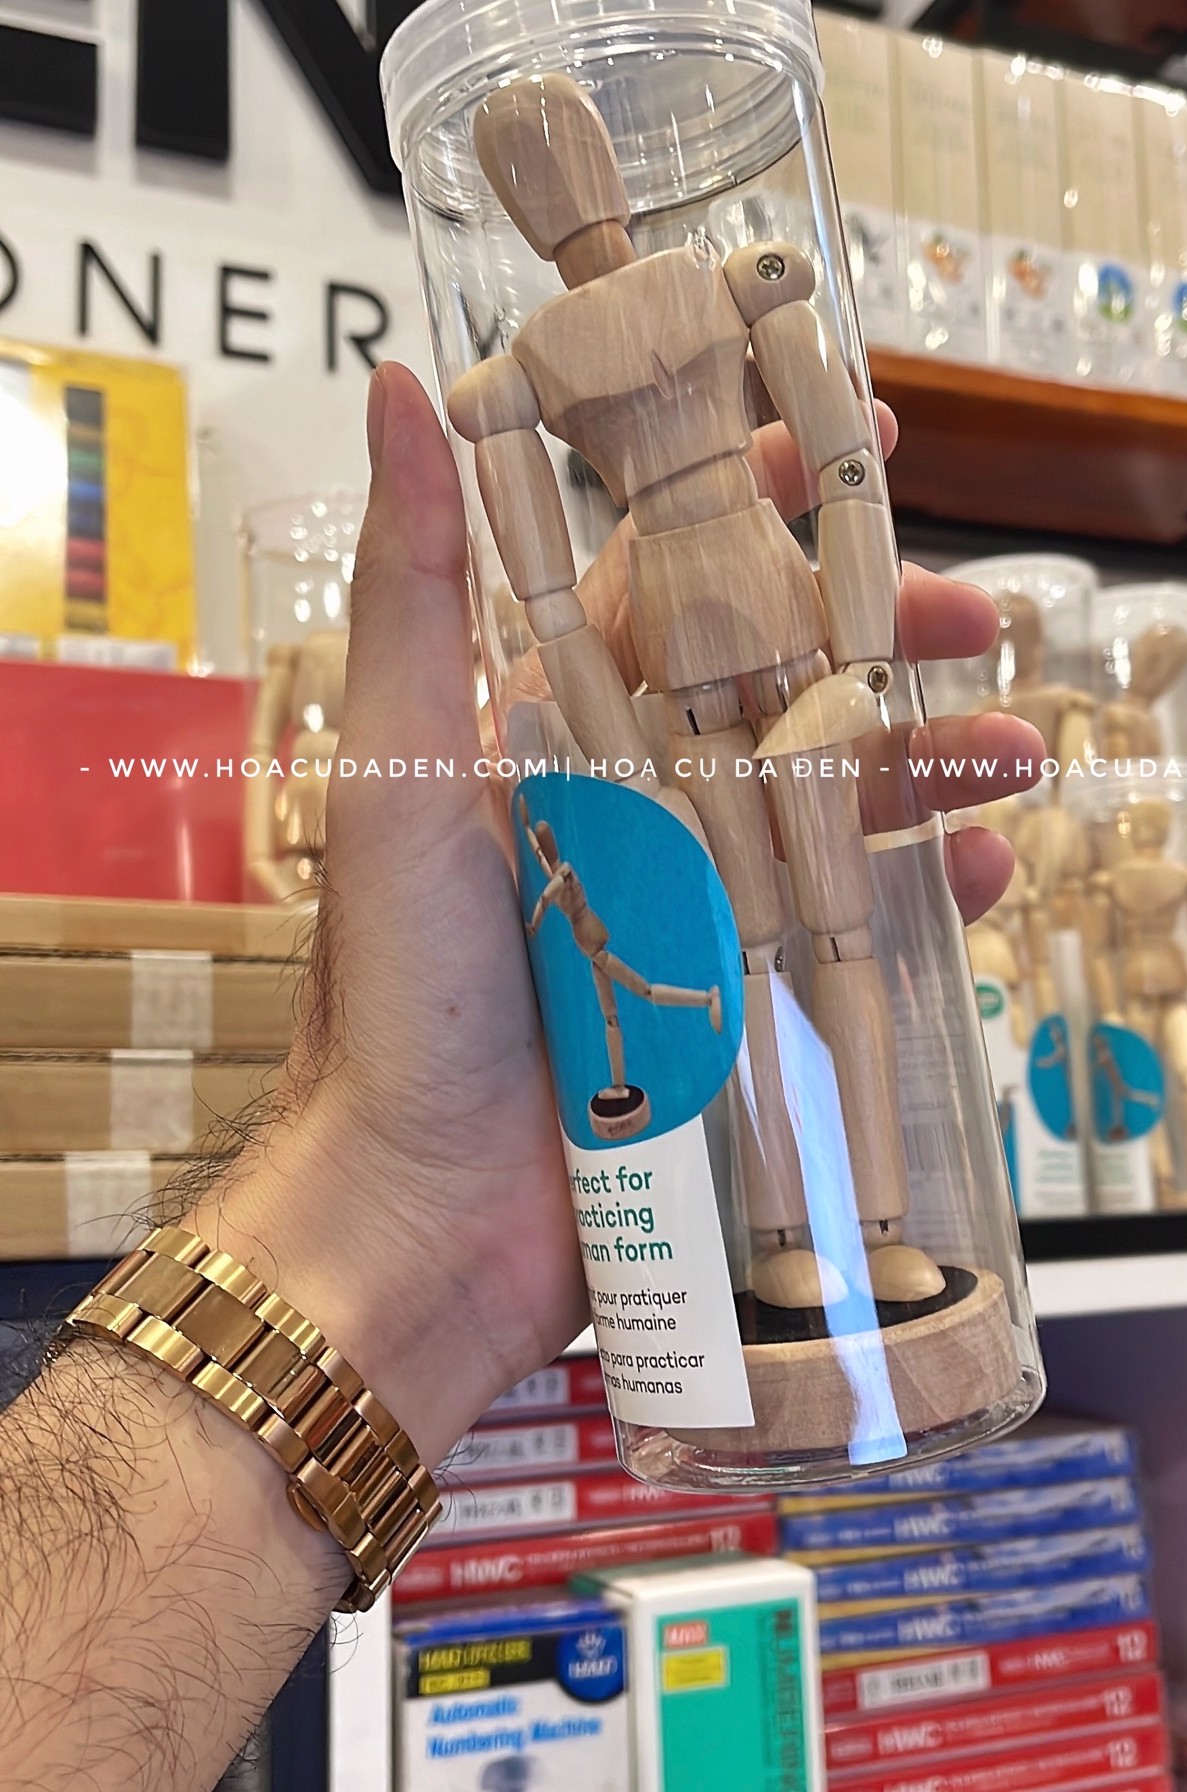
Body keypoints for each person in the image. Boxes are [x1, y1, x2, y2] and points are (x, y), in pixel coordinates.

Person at [0, 363, 1041, 1789]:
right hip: (688, 788)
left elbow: (839, 509)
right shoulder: (589, 514)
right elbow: (563, 624)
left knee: (843, 941)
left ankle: (872, 1231)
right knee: (765, 953)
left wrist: (851, 665)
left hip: (789, 734)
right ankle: (804, 1236)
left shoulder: (753, 448)